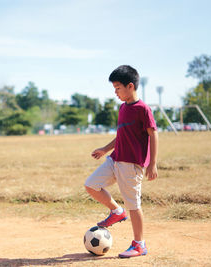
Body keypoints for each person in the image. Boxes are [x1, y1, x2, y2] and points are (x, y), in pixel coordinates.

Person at [84, 65, 158, 258]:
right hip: (115, 159)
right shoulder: (123, 108)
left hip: (132, 164)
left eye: (118, 88)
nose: (115, 92)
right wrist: (104, 150)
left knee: (133, 204)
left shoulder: (143, 109)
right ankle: (117, 212)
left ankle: (139, 245)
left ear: (130, 86)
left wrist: (152, 163)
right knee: (91, 185)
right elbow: (121, 136)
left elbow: (153, 134)